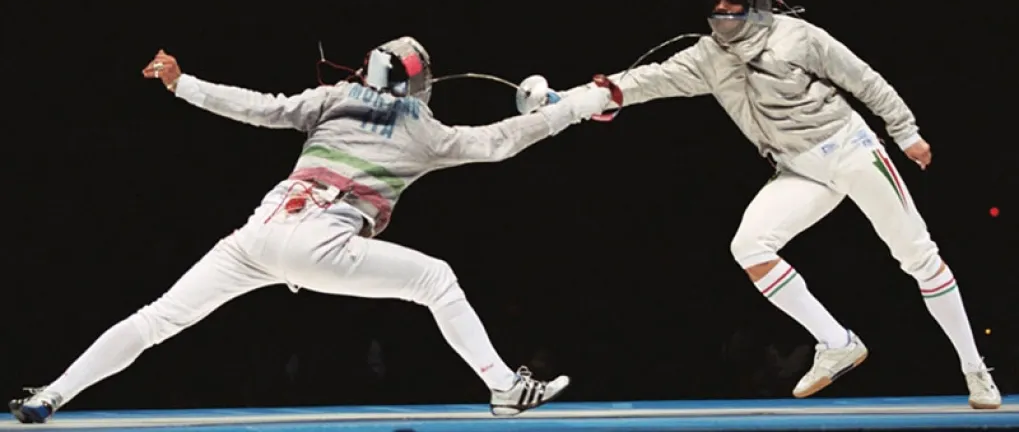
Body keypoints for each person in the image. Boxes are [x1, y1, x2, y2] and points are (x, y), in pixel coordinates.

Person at [9, 37, 615, 423]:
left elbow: (257, 106)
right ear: (420, 83)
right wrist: (578, 104)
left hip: (259, 233)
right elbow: (501, 140)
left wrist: (180, 83)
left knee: (156, 318)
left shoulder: (334, 97)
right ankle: (505, 388)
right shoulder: (427, 133)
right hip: (321, 241)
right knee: (436, 279)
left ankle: (50, 396)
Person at [546, 0, 1001, 408]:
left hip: (851, 150)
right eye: (718, 0)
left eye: (734, 1)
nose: (723, 9)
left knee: (917, 257)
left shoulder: (799, 37)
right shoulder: (708, 57)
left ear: (757, 4)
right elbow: (640, 82)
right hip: (798, 169)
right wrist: (566, 102)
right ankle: (837, 342)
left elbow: (864, 79)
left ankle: (974, 369)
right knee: (751, 247)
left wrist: (906, 133)